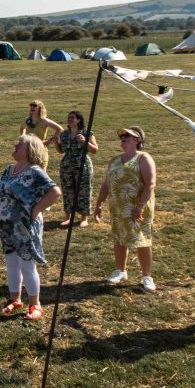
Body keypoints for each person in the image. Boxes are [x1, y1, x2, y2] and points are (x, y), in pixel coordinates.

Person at [0, 134, 62, 321]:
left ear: (30, 150)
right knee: (11, 262)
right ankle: (15, 299)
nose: (15, 145)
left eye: (20, 144)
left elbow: (55, 192)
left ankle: (35, 304)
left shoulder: (35, 171)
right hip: (7, 225)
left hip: (25, 226)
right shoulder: (9, 169)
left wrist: (36, 210)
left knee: (26, 265)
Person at [94, 126, 157, 292]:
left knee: (142, 240)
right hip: (118, 207)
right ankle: (121, 270)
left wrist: (140, 207)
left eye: (127, 136)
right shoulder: (114, 160)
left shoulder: (143, 158)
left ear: (137, 140)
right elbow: (106, 184)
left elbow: (150, 184)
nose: (122, 138)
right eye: (121, 135)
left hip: (137, 208)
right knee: (119, 238)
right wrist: (99, 204)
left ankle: (146, 276)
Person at [55, 111, 99, 227]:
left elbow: (95, 150)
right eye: (69, 117)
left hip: (82, 165)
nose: (70, 120)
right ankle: (68, 217)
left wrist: (85, 142)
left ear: (79, 120)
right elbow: (61, 151)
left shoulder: (87, 133)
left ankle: (84, 218)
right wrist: (56, 142)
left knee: (84, 190)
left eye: (72, 118)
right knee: (67, 190)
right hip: (67, 165)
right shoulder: (64, 134)